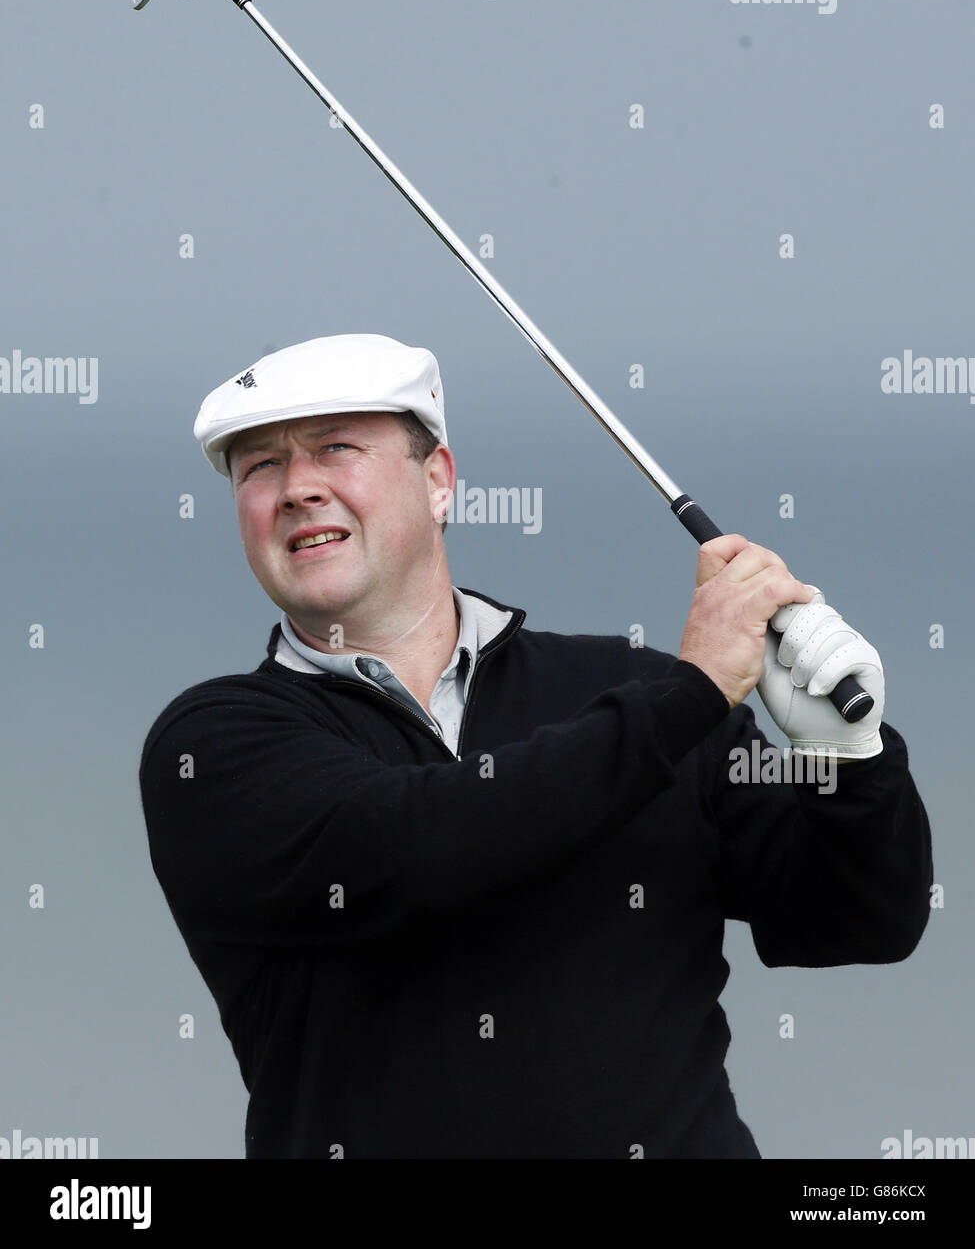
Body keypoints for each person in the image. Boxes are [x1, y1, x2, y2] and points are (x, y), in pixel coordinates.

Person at [139, 333, 933, 1159]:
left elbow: (858, 922)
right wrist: (691, 693)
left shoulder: (628, 688)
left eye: (336, 449)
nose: (299, 487)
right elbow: (423, 842)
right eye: (260, 466)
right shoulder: (214, 745)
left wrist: (845, 758)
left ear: (438, 480)